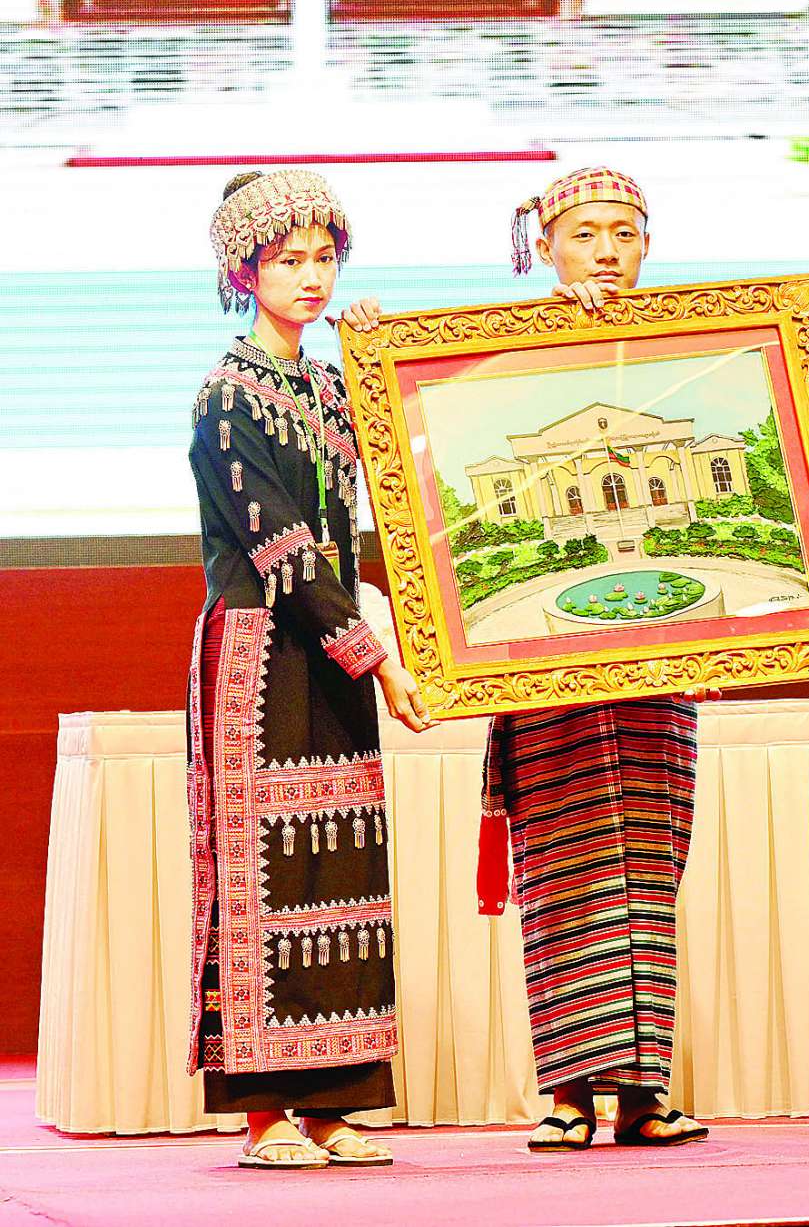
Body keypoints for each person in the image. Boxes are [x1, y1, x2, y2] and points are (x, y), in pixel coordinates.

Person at [344, 165, 712, 1153]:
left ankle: (643, 1096)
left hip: (658, 663)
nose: (605, 251)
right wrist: (372, 351)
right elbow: (419, 461)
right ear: (543, 247)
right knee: (561, 876)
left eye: (624, 233)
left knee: (646, 875)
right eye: (584, 233)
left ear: (647, 245)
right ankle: (568, 1094)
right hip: (538, 664)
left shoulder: (695, 353)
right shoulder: (497, 360)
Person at [188, 168, 429, 1170]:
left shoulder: (329, 387)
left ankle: (332, 1099)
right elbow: (282, 547)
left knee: (342, 866)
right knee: (266, 870)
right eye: (289, 260)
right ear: (245, 272)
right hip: (260, 650)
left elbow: (406, 471)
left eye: (324, 258)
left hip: (330, 643)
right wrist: (379, 660)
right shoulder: (225, 397)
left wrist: (377, 356)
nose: (312, 277)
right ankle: (261, 1112)